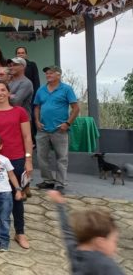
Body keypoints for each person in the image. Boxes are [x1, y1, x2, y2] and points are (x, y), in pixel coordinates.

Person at [0, 80, 33, 250]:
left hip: (16, 160)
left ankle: (19, 232)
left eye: (3, 90)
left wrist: (28, 159)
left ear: (9, 93)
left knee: (18, 197)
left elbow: (27, 137)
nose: (0, 93)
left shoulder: (20, 112)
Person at [46, 190, 124, 275]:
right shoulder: (106, 266)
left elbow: (67, 231)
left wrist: (60, 204)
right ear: (100, 242)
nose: (116, 248)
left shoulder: (75, 251)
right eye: (114, 241)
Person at [34, 65, 79, 193]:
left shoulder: (66, 89)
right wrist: (37, 121)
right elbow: (36, 107)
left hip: (60, 130)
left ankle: (60, 183)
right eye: (47, 73)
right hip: (42, 129)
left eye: (51, 73)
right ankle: (48, 181)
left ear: (58, 75)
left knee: (62, 158)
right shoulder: (41, 90)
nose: (48, 75)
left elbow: (76, 108)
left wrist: (67, 123)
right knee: (42, 157)